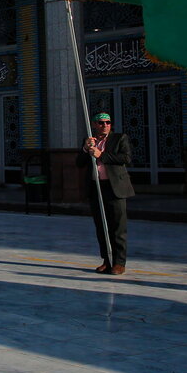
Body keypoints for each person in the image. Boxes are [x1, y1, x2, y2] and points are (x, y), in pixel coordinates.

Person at [77, 112, 134, 275]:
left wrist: (101, 155)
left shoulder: (119, 138)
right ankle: (107, 260)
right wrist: (85, 149)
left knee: (118, 226)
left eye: (108, 122)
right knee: (101, 226)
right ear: (94, 124)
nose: (105, 125)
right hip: (97, 187)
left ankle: (119, 262)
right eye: (101, 123)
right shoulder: (89, 141)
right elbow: (79, 163)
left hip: (114, 187)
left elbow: (126, 158)